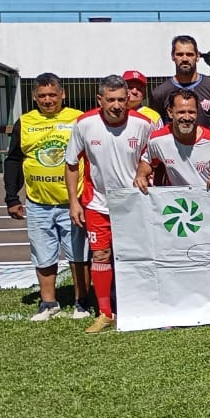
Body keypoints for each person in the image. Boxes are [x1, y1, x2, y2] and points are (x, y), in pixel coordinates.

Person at [65, 75, 155, 334]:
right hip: (98, 204)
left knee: (138, 255)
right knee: (101, 255)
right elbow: (71, 164)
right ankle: (105, 313)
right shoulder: (84, 124)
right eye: (111, 100)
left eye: (121, 100)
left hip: (134, 203)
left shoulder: (143, 124)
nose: (116, 105)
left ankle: (141, 306)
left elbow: (153, 158)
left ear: (128, 99)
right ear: (100, 100)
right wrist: (74, 202)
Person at [2, 72, 91, 322]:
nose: (48, 100)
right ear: (34, 97)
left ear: (63, 94)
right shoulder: (25, 122)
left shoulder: (78, 119)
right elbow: (14, 160)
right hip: (38, 203)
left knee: (79, 255)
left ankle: (81, 302)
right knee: (43, 255)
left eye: (53, 95)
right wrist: (12, 197)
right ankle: (48, 303)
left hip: (73, 203)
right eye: (42, 96)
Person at [134, 90, 210, 190]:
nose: (187, 117)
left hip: (206, 197)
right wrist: (141, 175)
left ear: (197, 113)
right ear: (170, 113)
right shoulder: (158, 140)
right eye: (181, 112)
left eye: (191, 112)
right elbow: (147, 161)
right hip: (175, 198)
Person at [149, 35, 210, 141]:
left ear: (197, 56)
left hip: (206, 149)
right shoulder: (160, 93)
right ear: (173, 56)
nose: (184, 59)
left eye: (189, 54)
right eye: (180, 54)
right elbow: (156, 128)